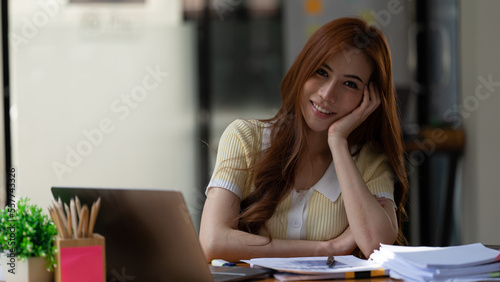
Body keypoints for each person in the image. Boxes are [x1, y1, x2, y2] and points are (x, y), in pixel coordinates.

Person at [199, 17, 408, 262]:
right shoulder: (244, 138)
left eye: (350, 84)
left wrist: (338, 141)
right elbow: (213, 242)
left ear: (369, 98)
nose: (327, 94)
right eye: (322, 72)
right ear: (303, 68)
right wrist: (328, 248)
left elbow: (375, 244)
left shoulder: (369, 160)